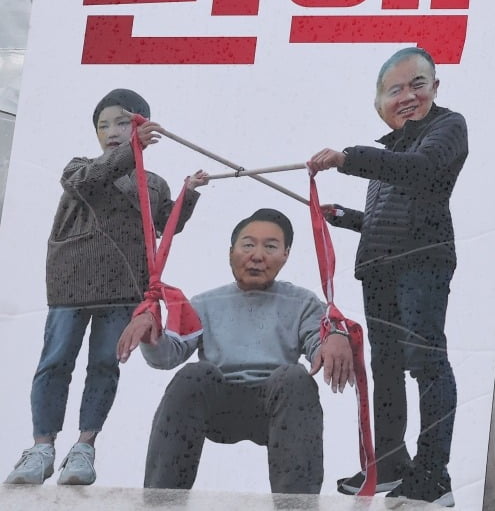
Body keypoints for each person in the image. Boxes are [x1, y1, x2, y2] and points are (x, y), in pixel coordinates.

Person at [4, 89, 207, 486]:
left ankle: (84, 447)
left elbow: (167, 225)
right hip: (71, 286)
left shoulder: (154, 183)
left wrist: (190, 190)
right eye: (103, 124)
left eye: (123, 122)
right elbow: (94, 180)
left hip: (123, 287)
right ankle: (42, 448)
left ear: (143, 126)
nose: (111, 131)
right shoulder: (79, 167)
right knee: (55, 361)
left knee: (104, 366)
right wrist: (131, 149)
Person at [309, 47, 467, 506]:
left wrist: (347, 158)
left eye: (417, 83)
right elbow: (390, 217)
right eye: (395, 89)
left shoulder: (446, 128)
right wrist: (344, 216)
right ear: (381, 104)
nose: (407, 95)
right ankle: (391, 466)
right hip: (378, 268)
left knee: (426, 362)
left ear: (435, 88)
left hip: (423, 262)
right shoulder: (388, 152)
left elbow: (423, 174)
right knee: (385, 369)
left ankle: (434, 475)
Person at [116, 208, 354, 494]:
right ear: (231, 252)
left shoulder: (302, 302)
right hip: (219, 403)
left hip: (275, 405)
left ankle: (297, 503)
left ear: (285, 255)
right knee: (194, 373)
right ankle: (161, 499)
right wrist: (149, 333)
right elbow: (168, 355)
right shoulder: (204, 303)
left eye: (270, 247)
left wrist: (336, 336)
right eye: (248, 244)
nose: (258, 255)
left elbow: (318, 343)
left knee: (296, 377)